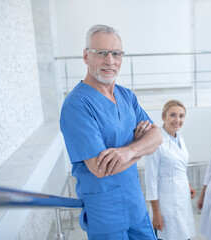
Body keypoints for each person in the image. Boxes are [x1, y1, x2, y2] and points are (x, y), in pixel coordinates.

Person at [60, 24, 162, 240]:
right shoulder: (76, 105)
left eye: (116, 53)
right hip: (105, 214)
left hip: (135, 205)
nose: (110, 60)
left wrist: (126, 152)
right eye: (102, 53)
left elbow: (157, 136)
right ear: (86, 56)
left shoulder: (126, 96)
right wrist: (142, 148)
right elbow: (99, 168)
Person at [144, 100, 196, 240]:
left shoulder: (179, 137)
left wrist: (188, 184)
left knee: (184, 234)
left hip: (182, 194)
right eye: (173, 115)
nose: (177, 120)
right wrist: (156, 213)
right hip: (166, 201)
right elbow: (150, 179)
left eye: (181, 116)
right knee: (169, 236)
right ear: (163, 117)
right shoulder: (155, 141)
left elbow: (179, 166)